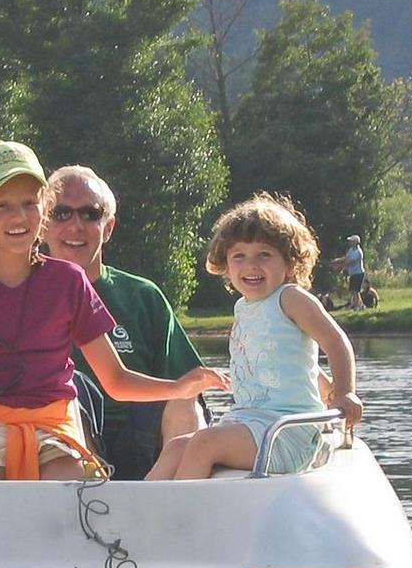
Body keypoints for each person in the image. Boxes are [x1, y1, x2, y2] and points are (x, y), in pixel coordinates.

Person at [0, 141, 227, 481]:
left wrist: (180, 386)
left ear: (42, 210)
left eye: (29, 203)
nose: (18, 217)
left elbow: (114, 379)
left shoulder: (69, 281)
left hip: (54, 424)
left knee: (65, 493)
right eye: (2, 206)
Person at [148, 194, 362, 480]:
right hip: (248, 421)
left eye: (264, 254)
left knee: (204, 443)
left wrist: (345, 391)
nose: (251, 265)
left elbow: (336, 342)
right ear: (226, 264)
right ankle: (138, 516)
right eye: (239, 256)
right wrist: (326, 388)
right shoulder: (243, 307)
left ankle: (183, 519)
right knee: (177, 446)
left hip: (287, 431)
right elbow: (291, 358)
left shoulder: (291, 297)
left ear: (289, 263)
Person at [44, 165, 206, 479]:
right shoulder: (23, 297)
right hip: (66, 436)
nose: (76, 225)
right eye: (61, 213)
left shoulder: (143, 295)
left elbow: (189, 380)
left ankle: (173, 502)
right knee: (67, 396)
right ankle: (94, 497)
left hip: (144, 437)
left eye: (90, 214)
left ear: (108, 227)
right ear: (43, 225)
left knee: (184, 400)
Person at [330, 234, 368, 310]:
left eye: (351, 241)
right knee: (353, 290)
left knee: (355, 290)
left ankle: (358, 306)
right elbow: (346, 258)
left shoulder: (358, 252)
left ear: (356, 242)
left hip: (358, 273)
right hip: (353, 273)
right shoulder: (351, 250)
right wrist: (336, 260)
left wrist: (338, 266)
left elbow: (349, 262)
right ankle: (361, 305)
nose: (350, 242)